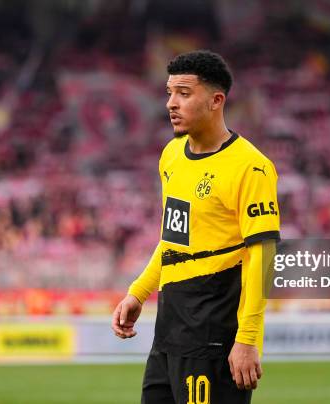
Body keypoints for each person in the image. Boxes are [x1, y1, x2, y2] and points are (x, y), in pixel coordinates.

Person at [111, 50, 280, 404]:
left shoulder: (251, 167)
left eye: (184, 94)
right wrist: (139, 292)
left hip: (213, 333)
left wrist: (248, 339)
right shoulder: (171, 155)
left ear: (216, 100)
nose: (171, 103)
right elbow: (174, 239)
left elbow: (263, 257)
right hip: (169, 330)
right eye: (169, 93)